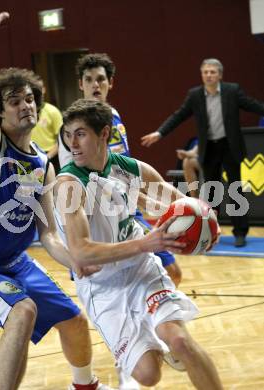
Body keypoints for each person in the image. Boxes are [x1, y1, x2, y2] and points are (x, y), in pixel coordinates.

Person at [0, 2, 112, 390]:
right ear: (0, 112)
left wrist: (75, 259)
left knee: (74, 320)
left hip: (12, 263)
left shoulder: (42, 166)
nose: (25, 104)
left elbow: (48, 235)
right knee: (23, 310)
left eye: (30, 98)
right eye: (14, 100)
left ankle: (84, 384)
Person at [55, 98, 223, 389]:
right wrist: (148, 242)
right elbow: (81, 251)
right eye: (68, 135)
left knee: (181, 341)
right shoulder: (69, 184)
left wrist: (205, 218)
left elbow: (178, 201)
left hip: (141, 269)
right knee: (148, 375)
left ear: (104, 134)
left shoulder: (128, 169)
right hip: (101, 286)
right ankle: (154, 337)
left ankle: (164, 332)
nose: (73, 144)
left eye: (80, 133)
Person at [58, 53, 182, 288]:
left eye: (101, 79)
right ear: (80, 84)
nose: (96, 84)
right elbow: (82, 181)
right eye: (89, 79)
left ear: (110, 83)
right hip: (94, 216)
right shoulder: (74, 129)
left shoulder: (112, 116)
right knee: (107, 285)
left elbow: (119, 168)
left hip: (123, 202)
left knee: (170, 272)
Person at [141, 58, 264, 247]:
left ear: (220, 75)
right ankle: (210, 230)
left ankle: (240, 232)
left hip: (230, 146)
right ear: (202, 75)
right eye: (205, 72)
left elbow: (253, 105)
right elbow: (179, 115)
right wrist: (160, 133)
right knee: (212, 191)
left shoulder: (232, 91)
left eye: (212, 72)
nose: (208, 75)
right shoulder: (195, 95)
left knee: (235, 189)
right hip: (210, 148)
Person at [31, 76, 63, 173]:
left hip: (51, 157)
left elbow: (62, 140)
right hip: (32, 158)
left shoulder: (53, 111)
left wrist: (47, 157)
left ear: (44, 90)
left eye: (39, 89)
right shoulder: (26, 112)